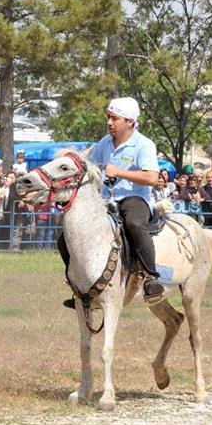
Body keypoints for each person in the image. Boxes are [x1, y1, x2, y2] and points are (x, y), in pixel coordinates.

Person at [88, 97, 164, 303]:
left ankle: (151, 277)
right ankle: (79, 283)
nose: (109, 122)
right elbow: (90, 167)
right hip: (105, 200)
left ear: (130, 121)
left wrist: (119, 172)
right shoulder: (104, 143)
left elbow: (152, 178)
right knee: (70, 232)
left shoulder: (144, 144)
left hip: (134, 197)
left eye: (115, 118)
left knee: (134, 223)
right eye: (108, 117)